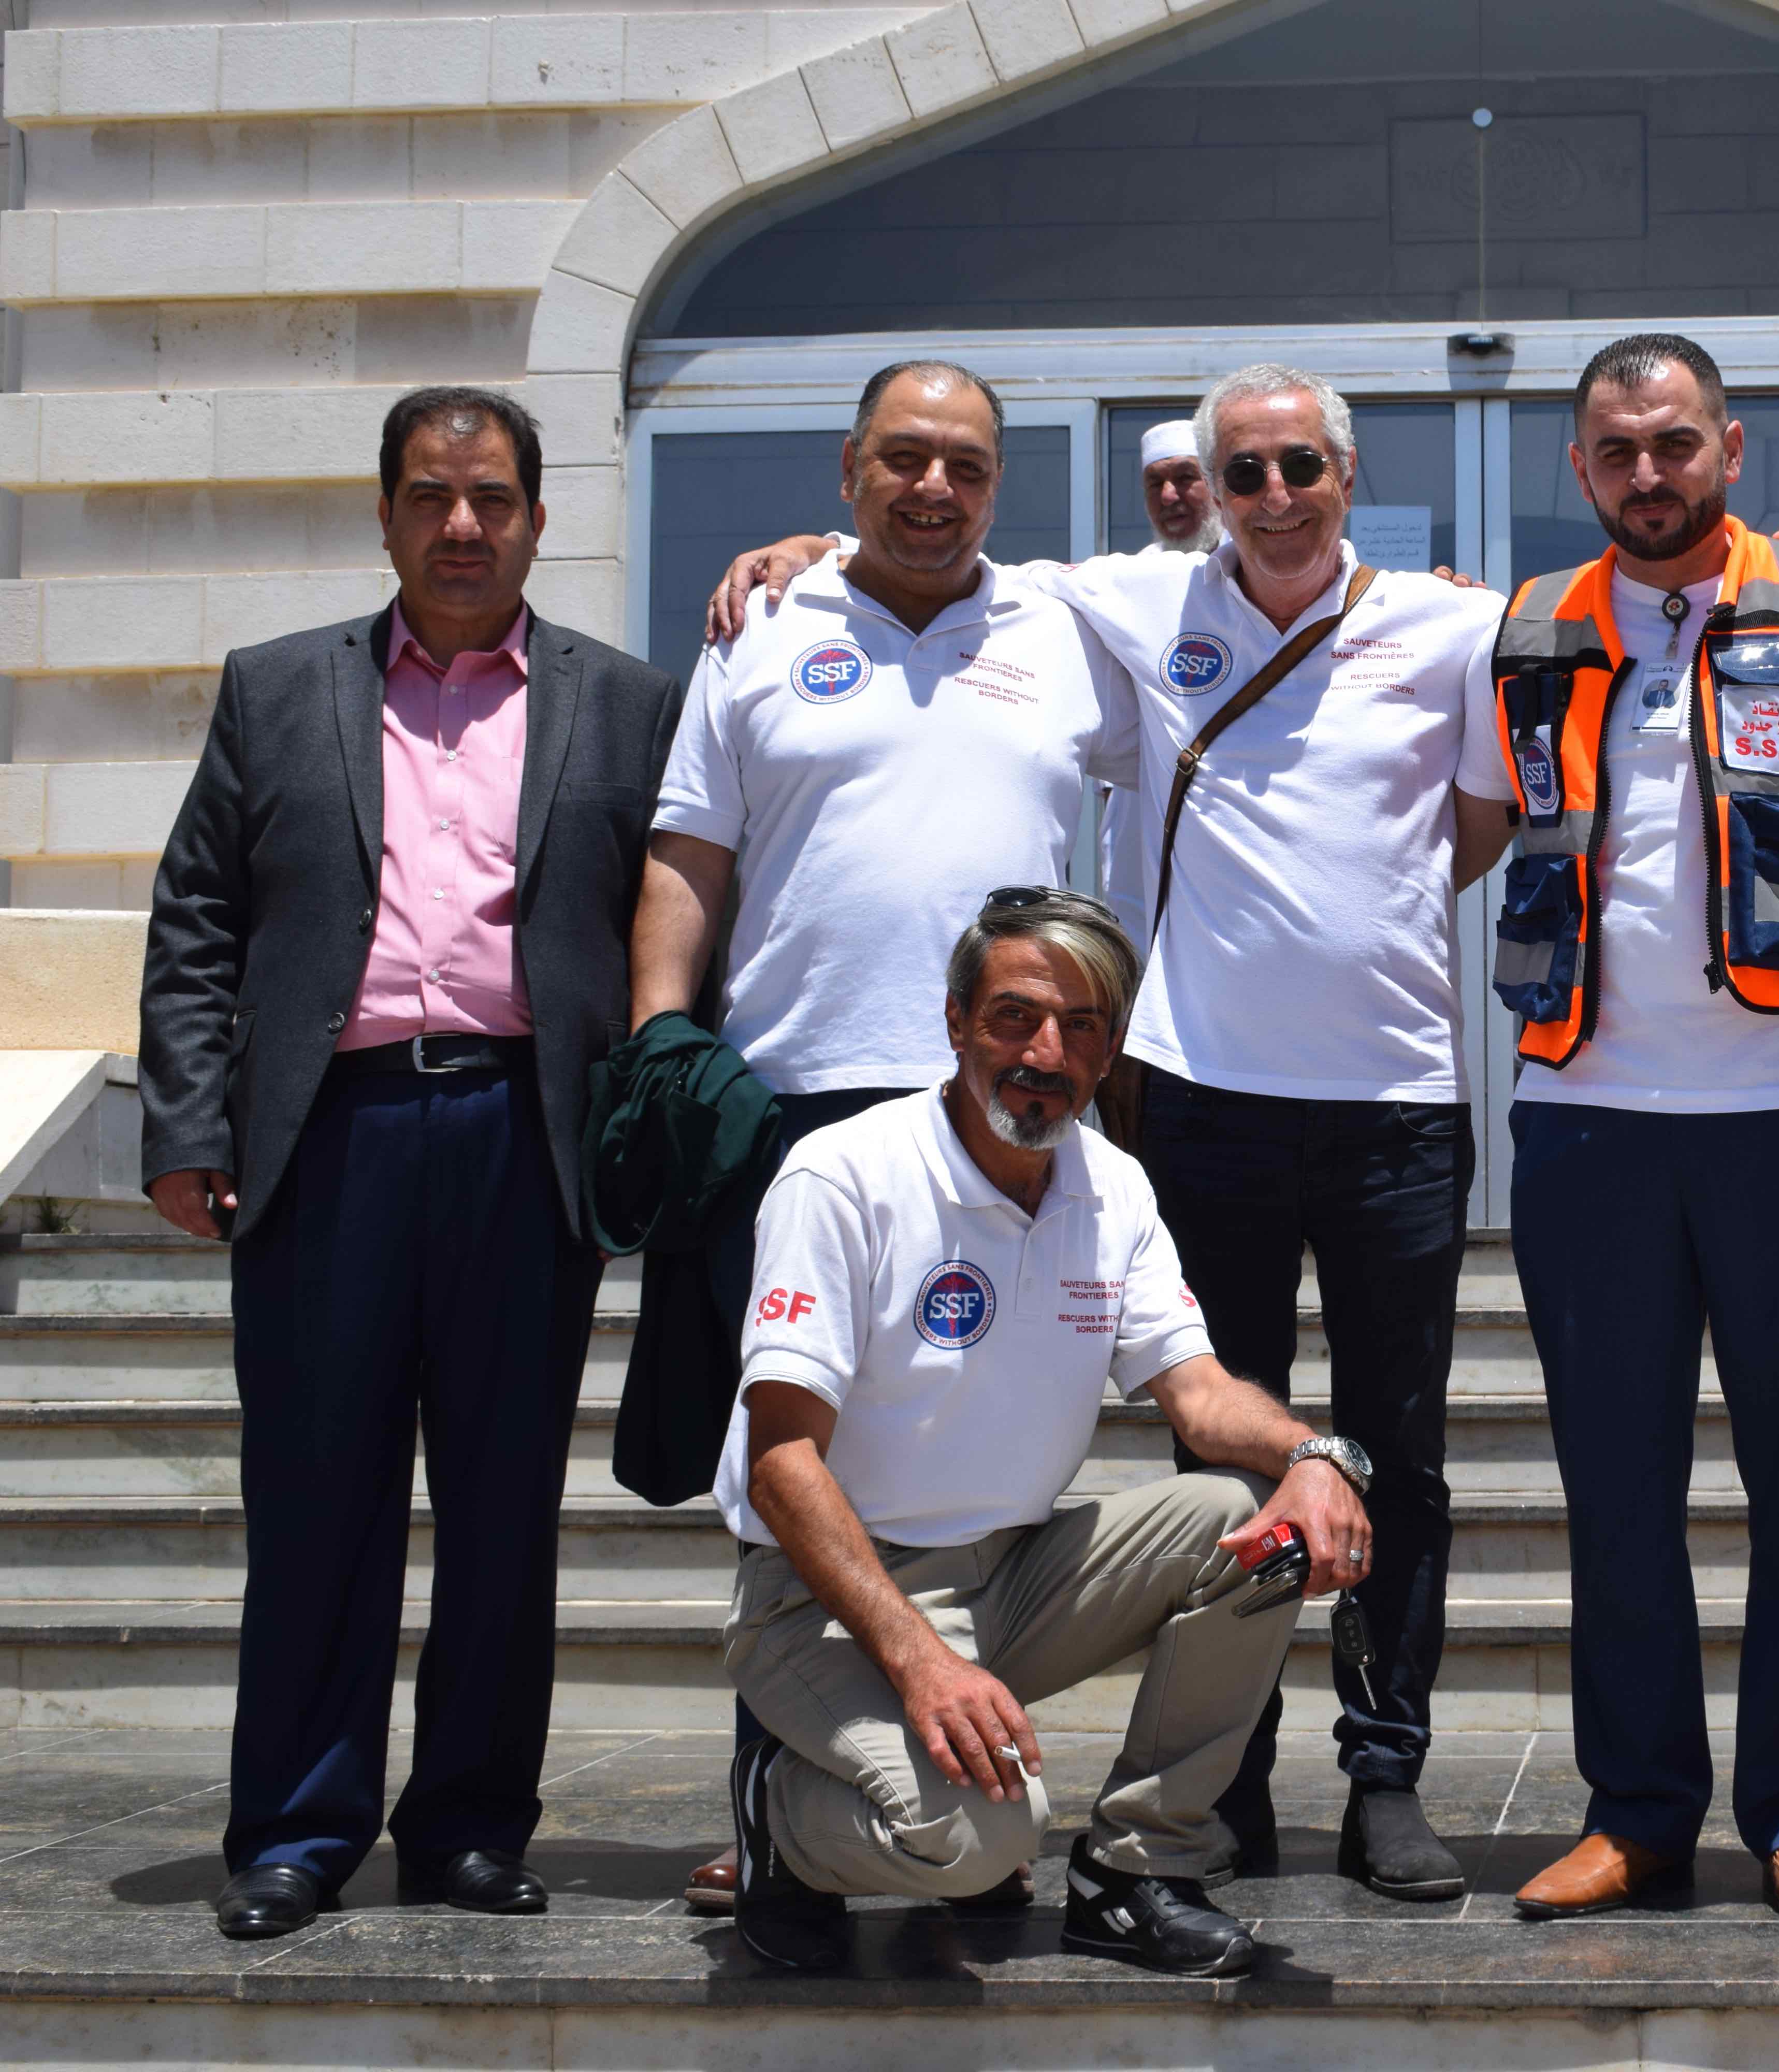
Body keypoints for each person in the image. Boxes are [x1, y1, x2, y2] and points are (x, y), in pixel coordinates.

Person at [708, 364, 1517, 1904]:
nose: (1275, 496)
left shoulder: (1448, 625)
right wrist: (798, 559)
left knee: (1393, 1455)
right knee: (1220, 1447)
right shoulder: (1130, 606)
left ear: (1348, 476)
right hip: (1200, 1091)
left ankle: (1384, 1767)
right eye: (1246, 473)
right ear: (1204, 486)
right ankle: (1229, 1791)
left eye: (1302, 468)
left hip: (1399, 1098)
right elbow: (938, 558)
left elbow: (1476, 820)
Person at [138, 386, 684, 1940]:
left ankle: (466, 1822)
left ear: (534, 517)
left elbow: (677, 916)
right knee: (317, 1494)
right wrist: (187, 1127)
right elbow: (197, 927)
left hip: (527, 1138)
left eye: (494, 499)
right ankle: (297, 1828)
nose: (463, 525)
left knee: (505, 1503)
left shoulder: (628, 704)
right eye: (433, 497)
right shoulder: (275, 689)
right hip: (331, 1140)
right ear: (382, 513)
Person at [640, 358, 1138, 1918]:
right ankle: (783, 1801)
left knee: (970, 1467)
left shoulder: (1067, 633)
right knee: (794, 1474)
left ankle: (958, 1790)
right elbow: (686, 854)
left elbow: (1263, 645)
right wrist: (661, 1033)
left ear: (1002, 486)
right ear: (848, 469)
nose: (936, 488)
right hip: (794, 1106)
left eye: (968, 467)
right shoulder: (760, 630)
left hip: (1006, 1104)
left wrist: (1457, 602)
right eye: (904, 459)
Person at [1464, 335, 1779, 1931]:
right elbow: (1475, 826)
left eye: (1673, 443)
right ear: (1579, 468)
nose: (1647, 474)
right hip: (1586, 1114)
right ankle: (1639, 1809)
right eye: (1614, 452)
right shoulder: (1529, 627)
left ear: (1728, 446)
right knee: (1616, 1486)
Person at [718, 888, 1375, 1978]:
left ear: (1110, 1048)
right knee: (977, 1844)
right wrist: (922, 1659)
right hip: (821, 1596)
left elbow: (1199, 1390)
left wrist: (1311, 1457)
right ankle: (776, 1811)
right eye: (1016, 1015)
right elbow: (781, 1459)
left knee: (1241, 1521)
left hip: (1011, 1571)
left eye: (1081, 1026)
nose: (1045, 1050)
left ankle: (1132, 1873)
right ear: (956, 1021)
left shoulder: (1111, 1185)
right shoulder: (847, 1173)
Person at [1097, 419, 1223, 948]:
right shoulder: (1120, 585)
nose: (1170, 495)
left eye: (1185, 478)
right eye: (1155, 483)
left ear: (1217, 483)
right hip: (1140, 827)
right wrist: (838, 547)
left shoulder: (1265, 579)